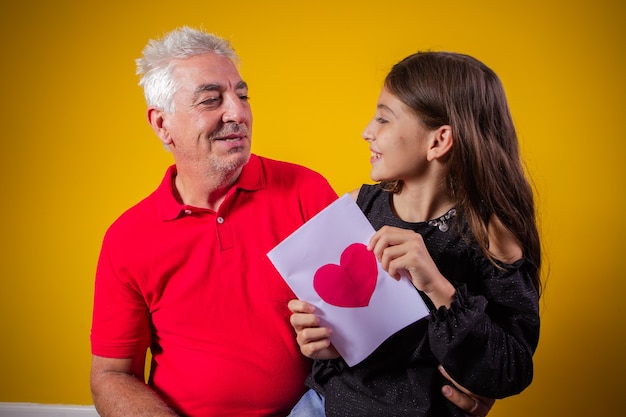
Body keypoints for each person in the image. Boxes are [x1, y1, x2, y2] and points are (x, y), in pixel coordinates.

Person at [89, 26, 496, 417]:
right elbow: (111, 374)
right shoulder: (127, 238)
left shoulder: (307, 191)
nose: (238, 112)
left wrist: (473, 378)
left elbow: (395, 314)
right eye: (211, 99)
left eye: (242, 95)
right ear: (162, 124)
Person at [288, 51, 541, 416]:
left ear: (437, 142)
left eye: (384, 119)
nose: (367, 132)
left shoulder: (491, 239)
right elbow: (347, 328)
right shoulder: (358, 207)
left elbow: (510, 370)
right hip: (324, 405)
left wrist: (438, 287)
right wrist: (323, 339)